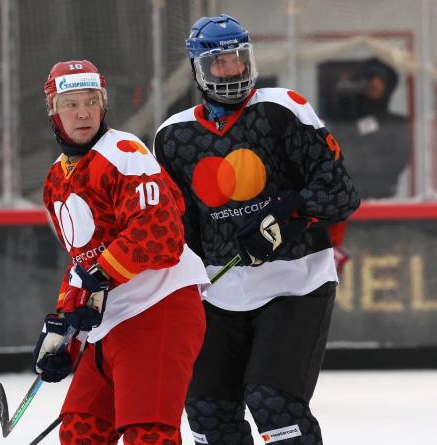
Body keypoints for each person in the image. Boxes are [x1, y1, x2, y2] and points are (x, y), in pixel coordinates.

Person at [153, 14, 360, 445]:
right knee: (208, 414)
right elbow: (176, 233)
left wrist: (284, 214)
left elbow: (341, 193)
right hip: (218, 295)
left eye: (237, 59)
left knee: (273, 404)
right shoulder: (172, 137)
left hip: (295, 285)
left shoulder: (282, 108)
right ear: (198, 69)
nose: (231, 71)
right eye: (218, 63)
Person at [33, 59, 210, 445]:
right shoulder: (54, 181)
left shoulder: (125, 151)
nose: (83, 112)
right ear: (53, 111)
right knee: (81, 430)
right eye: (70, 103)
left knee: (148, 435)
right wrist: (64, 330)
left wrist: (99, 277)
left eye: (91, 101)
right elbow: (82, 262)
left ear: (103, 105)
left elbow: (159, 233)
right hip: (110, 324)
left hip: (159, 309)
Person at [324, 57, 412, 199]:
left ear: (388, 87)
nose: (374, 87)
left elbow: (397, 161)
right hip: (346, 197)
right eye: (369, 81)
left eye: (381, 82)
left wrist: (361, 161)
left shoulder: (397, 123)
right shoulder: (345, 121)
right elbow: (339, 158)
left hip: (385, 197)